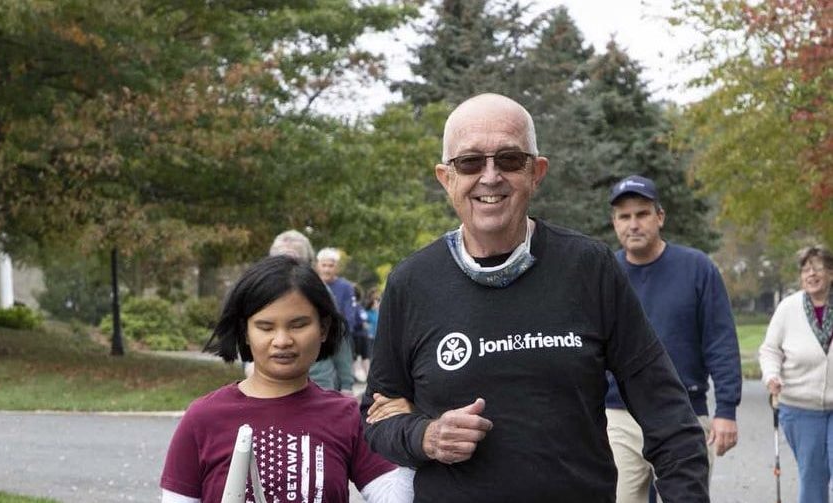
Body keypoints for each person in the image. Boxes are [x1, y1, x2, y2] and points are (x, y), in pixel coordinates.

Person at [360, 93, 708, 502]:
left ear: (536, 172)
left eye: (509, 159)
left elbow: (666, 410)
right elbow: (377, 420)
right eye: (470, 162)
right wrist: (426, 436)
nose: (490, 176)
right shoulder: (411, 282)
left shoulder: (588, 267)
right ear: (445, 177)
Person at [160, 255, 412, 502]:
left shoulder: (346, 416)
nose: (282, 341)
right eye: (265, 327)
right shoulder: (203, 417)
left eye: (298, 325)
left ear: (323, 328)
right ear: (245, 332)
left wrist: (410, 435)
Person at [604, 175, 742, 503]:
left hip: (684, 410)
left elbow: (720, 341)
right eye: (624, 217)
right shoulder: (605, 272)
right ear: (614, 223)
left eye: (642, 214)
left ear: (660, 217)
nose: (633, 224)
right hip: (618, 414)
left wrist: (726, 410)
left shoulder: (697, 268)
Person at [759, 245, 833, 503]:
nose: (811, 274)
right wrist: (771, 375)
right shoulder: (788, 308)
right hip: (800, 408)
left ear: (831, 273)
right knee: (812, 478)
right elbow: (770, 350)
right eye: (806, 269)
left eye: (818, 268)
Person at [269, 230, 355, 394]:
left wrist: (346, 384)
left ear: (306, 263)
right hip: (272, 383)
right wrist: (248, 364)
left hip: (317, 380)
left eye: (293, 261)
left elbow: (339, 336)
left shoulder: (319, 291)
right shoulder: (260, 292)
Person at [315, 247, 358, 391]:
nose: (327, 269)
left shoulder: (345, 287)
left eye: (331, 265)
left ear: (336, 268)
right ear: (317, 265)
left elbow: (349, 314)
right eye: (324, 265)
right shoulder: (310, 285)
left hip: (339, 335)